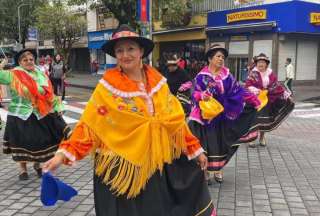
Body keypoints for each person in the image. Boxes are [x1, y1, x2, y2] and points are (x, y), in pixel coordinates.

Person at [42, 24, 216, 216]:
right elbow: (89, 127)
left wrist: (195, 150)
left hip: (154, 165)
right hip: (121, 170)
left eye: (130, 48)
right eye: (120, 50)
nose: (125, 55)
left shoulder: (159, 83)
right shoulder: (107, 88)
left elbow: (175, 123)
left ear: (141, 51)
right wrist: (61, 156)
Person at [188, 44, 260, 184]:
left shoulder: (227, 75)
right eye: (218, 56)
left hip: (222, 115)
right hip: (205, 116)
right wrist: (202, 95)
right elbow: (194, 93)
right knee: (205, 144)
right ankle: (206, 172)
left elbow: (238, 90)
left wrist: (254, 100)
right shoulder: (201, 76)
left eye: (223, 57)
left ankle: (218, 170)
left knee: (221, 144)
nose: (221, 59)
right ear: (210, 58)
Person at [0, 49, 70, 180]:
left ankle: (37, 164)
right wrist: (2, 65)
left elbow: (50, 93)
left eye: (31, 59)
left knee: (40, 141)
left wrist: (57, 106)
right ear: (20, 62)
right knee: (22, 142)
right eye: (25, 60)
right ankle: (22, 168)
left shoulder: (41, 74)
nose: (29, 62)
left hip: (39, 112)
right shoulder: (13, 74)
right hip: (20, 114)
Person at [245, 53, 294, 148]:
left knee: (264, 120)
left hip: (268, 100)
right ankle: (251, 138)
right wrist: (257, 91)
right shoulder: (253, 73)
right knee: (254, 119)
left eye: (263, 62)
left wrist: (287, 96)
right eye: (259, 62)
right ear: (256, 63)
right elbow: (248, 85)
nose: (260, 64)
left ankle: (262, 138)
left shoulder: (270, 74)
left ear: (266, 64)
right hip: (255, 101)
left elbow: (277, 86)